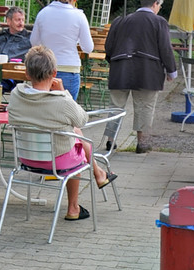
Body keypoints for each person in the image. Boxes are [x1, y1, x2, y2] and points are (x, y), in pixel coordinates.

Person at [7, 45, 115, 221]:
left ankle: (99, 174)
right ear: (54, 73)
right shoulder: (61, 102)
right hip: (57, 160)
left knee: (74, 133)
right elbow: (82, 119)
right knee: (77, 142)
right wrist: (64, 93)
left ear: (27, 74)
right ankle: (73, 207)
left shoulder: (16, 95)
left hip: (26, 158)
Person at [104, 0, 179, 153]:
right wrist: (171, 70)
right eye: (159, 6)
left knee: (115, 107)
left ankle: (110, 141)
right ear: (155, 4)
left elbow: (108, 47)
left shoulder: (120, 20)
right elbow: (165, 48)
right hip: (148, 71)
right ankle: (142, 143)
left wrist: (114, 62)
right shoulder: (159, 22)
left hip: (120, 68)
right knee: (145, 107)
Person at [29, 0, 93, 99]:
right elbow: (88, 48)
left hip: (44, 68)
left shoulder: (43, 13)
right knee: (67, 110)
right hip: (69, 67)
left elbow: (34, 42)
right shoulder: (79, 16)